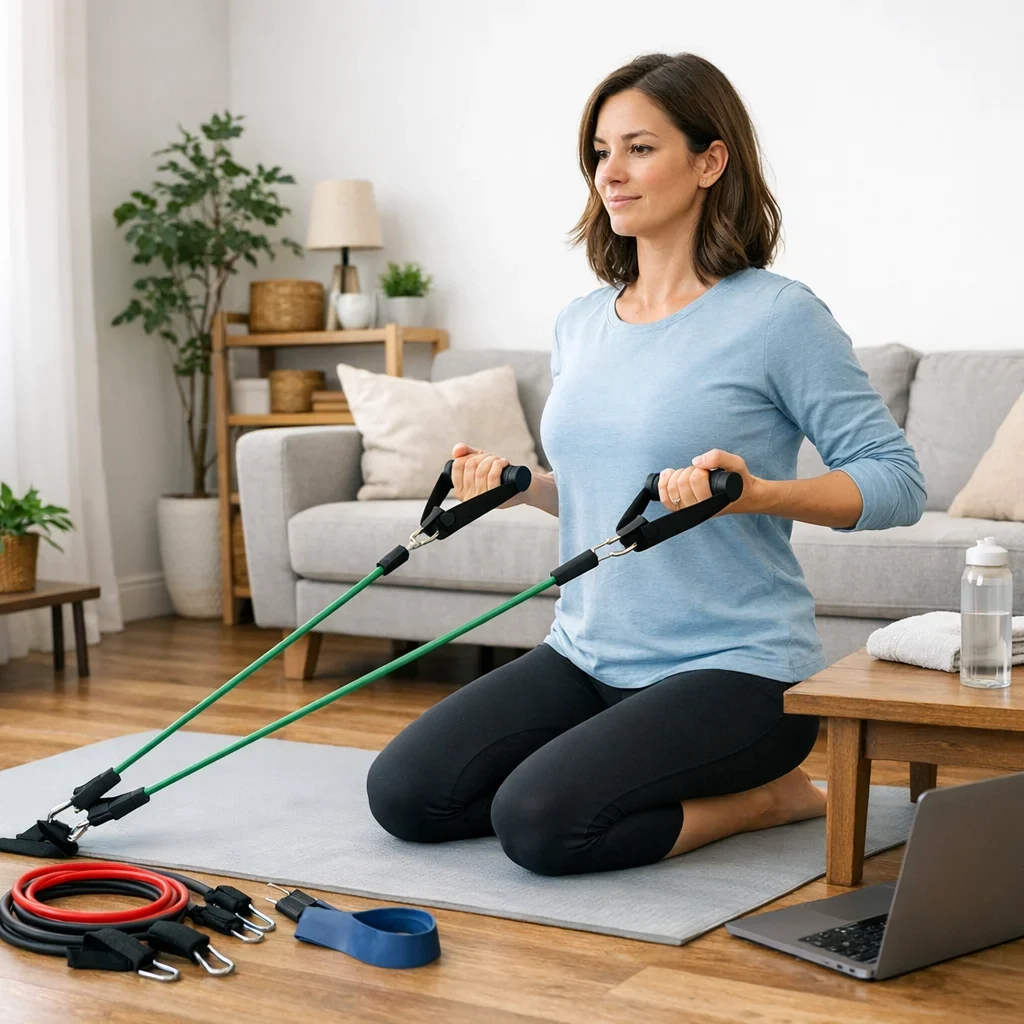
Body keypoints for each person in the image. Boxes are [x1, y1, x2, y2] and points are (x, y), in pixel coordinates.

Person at [365, 52, 927, 877]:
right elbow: (617, 512)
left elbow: (896, 480)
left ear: (710, 161)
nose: (610, 174)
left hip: (737, 672)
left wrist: (760, 495)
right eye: (599, 152)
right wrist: (522, 488)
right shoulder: (582, 322)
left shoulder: (778, 316)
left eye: (638, 148)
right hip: (585, 653)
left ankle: (772, 795)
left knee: (540, 825)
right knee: (407, 795)